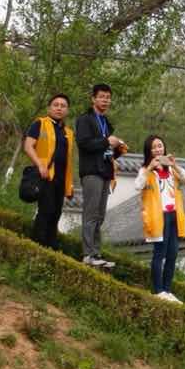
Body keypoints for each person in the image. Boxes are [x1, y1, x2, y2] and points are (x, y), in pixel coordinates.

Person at [74, 84, 127, 269]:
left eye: (108, 97)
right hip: (91, 171)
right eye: (102, 96)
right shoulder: (85, 119)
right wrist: (106, 141)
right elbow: (83, 143)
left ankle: (96, 253)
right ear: (93, 99)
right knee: (91, 213)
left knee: (100, 215)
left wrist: (118, 149)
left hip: (105, 171)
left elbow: (105, 151)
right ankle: (88, 254)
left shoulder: (106, 122)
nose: (105, 100)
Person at [138, 135, 185, 301]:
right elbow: (137, 185)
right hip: (158, 217)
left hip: (174, 215)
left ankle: (167, 290)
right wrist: (149, 168)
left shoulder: (171, 169)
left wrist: (175, 165)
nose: (158, 149)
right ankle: (158, 291)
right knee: (159, 253)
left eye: (160, 146)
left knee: (172, 253)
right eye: (154, 147)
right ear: (149, 151)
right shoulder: (145, 170)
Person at [21, 94, 75, 249]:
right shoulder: (40, 124)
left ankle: (50, 248)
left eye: (63, 106)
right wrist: (39, 164)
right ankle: (36, 247)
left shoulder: (68, 132)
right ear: (49, 108)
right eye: (55, 105)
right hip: (45, 176)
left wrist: (69, 185)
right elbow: (28, 146)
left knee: (56, 214)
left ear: (67, 110)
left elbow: (68, 161)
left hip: (60, 179)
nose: (59, 108)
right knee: (46, 210)